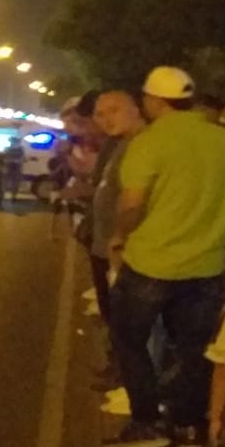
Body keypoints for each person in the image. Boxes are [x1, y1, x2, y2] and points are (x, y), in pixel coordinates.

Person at [104, 67, 225, 447]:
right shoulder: (222, 140)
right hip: (207, 265)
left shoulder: (150, 141)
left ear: (154, 101)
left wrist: (119, 236)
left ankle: (147, 422)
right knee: (194, 349)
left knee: (128, 338)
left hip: (151, 262)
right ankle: (189, 425)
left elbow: (132, 204)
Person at [90, 90, 147, 380]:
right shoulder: (120, 143)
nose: (106, 119)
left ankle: (127, 375)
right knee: (113, 313)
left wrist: (120, 240)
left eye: (114, 110)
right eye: (100, 114)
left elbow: (135, 201)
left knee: (127, 319)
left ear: (135, 109)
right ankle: (119, 366)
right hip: (105, 245)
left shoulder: (141, 145)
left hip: (121, 250)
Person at [3, 137, 26, 202]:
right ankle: (8, 196)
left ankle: (13, 197)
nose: (12, 143)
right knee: (7, 183)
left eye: (13, 141)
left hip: (15, 168)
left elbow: (22, 158)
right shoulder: (8, 149)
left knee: (14, 184)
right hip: (10, 168)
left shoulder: (20, 149)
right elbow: (4, 158)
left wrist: (16, 160)